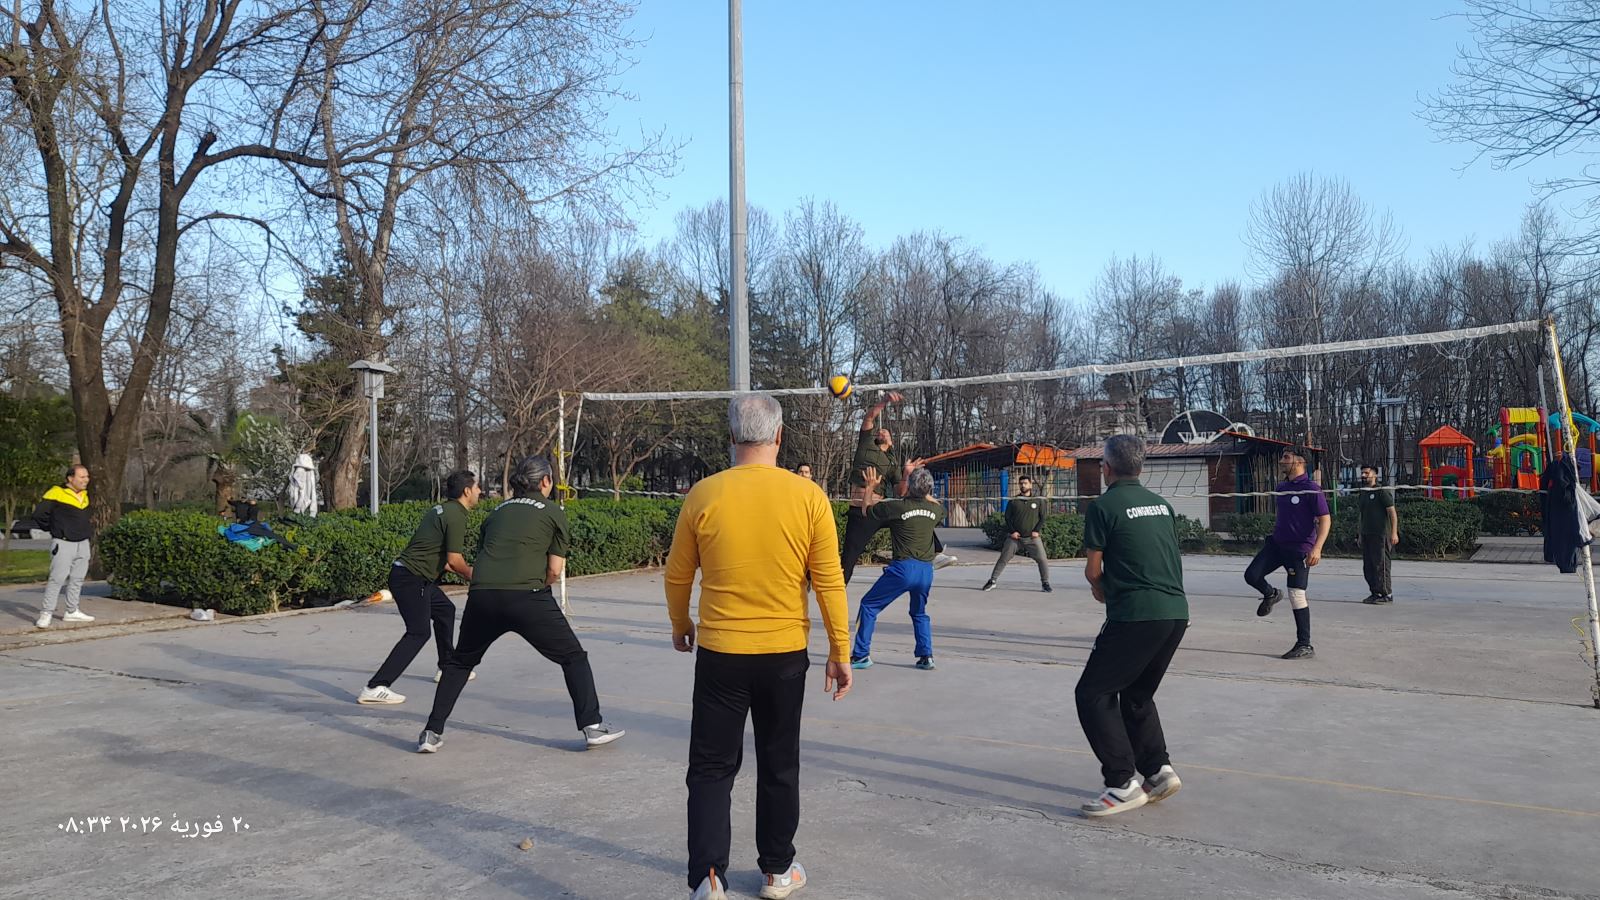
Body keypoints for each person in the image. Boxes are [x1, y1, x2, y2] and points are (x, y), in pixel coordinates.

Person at [665, 393, 852, 900]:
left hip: (721, 654)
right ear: (779, 436)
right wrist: (840, 650)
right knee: (778, 763)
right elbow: (829, 581)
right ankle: (776, 871)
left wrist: (681, 624)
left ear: (731, 437)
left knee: (711, 767)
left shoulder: (703, 495)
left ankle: (708, 878)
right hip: (784, 655)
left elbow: (678, 574)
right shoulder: (808, 497)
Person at [417, 455, 623, 753]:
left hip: (482, 595)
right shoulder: (553, 511)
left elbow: (485, 555)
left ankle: (431, 732)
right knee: (573, 657)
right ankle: (592, 726)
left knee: (460, 663)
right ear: (546, 481)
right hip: (528, 596)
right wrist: (540, 588)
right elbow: (554, 570)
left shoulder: (496, 511)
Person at [1076, 435, 1189, 817]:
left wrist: (1101, 589)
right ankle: (1158, 771)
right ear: (1140, 467)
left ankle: (1122, 783)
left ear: (1106, 468)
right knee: (1137, 694)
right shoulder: (1162, 505)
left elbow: (1093, 570)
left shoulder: (1103, 506)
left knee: (1093, 693)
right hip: (1175, 613)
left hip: (1136, 615)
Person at [357, 470, 481, 705]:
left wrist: (467, 572)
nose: (480, 492)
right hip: (411, 578)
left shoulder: (442, 509)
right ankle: (375, 686)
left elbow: (445, 561)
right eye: (477, 488)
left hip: (411, 576)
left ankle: (446, 667)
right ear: (467, 491)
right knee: (418, 632)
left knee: (445, 610)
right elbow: (455, 560)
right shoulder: (457, 515)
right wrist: (476, 577)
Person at [839, 392, 954, 583]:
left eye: (886, 432)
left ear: (891, 441)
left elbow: (900, 493)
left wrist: (907, 473)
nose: (882, 431)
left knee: (912, 510)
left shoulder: (892, 462)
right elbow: (869, 417)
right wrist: (884, 401)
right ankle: (833, 586)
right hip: (861, 512)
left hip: (882, 507)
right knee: (848, 561)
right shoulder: (866, 444)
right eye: (880, 431)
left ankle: (936, 552)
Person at [849, 464, 946, 671]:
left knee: (869, 605)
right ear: (929, 489)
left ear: (909, 486)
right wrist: (924, 491)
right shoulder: (936, 510)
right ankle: (926, 656)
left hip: (903, 568)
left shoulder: (896, 507)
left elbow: (866, 511)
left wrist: (870, 487)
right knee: (919, 612)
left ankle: (861, 655)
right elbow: (937, 505)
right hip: (926, 571)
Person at [1244, 447, 1330, 660]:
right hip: (1276, 545)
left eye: (1286, 457)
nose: (1281, 461)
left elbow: (1325, 519)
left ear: (1299, 461)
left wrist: (1317, 548)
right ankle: (1271, 594)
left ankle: (1305, 644)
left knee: (1296, 594)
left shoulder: (1312, 489)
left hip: (1299, 549)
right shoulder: (1282, 487)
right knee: (1252, 575)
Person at [33, 464, 95, 628]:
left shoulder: (84, 495)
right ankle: (46, 613)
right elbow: (39, 515)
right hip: (63, 543)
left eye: (87, 477)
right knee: (57, 579)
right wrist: (55, 529)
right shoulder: (56, 493)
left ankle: (72, 611)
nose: (86, 480)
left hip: (83, 543)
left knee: (77, 578)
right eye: (82, 477)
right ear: (70, 478)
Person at [981, 474, 1052, 592]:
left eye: (1025, 483)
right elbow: (1007, 518)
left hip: (1032, 538)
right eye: (1021, 483)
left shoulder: (1038, 500)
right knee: (1003, 558)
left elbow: (1043, 517)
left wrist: (1036, 530)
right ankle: (992, 581)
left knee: (1042, 559)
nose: (1023, 485)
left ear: (1031, 485)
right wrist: (1012, 531)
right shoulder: (1014, 501)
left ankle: (1045, 583)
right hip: (1015, 538)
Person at [1356, 465, 1397, 604]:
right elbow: (1361, 515)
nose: (1363, 475)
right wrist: (1360, 534)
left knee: (1381, 565)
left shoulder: (1381, 491)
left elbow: (1392, 513)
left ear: (1375, 475)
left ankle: (1387, 593)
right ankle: (1375, 592)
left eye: (1366, 473)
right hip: (1367, 534)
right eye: (1362, 473)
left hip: (1381, 534)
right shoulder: (1363, 493)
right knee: (1368, 566)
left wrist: (1394, 533)